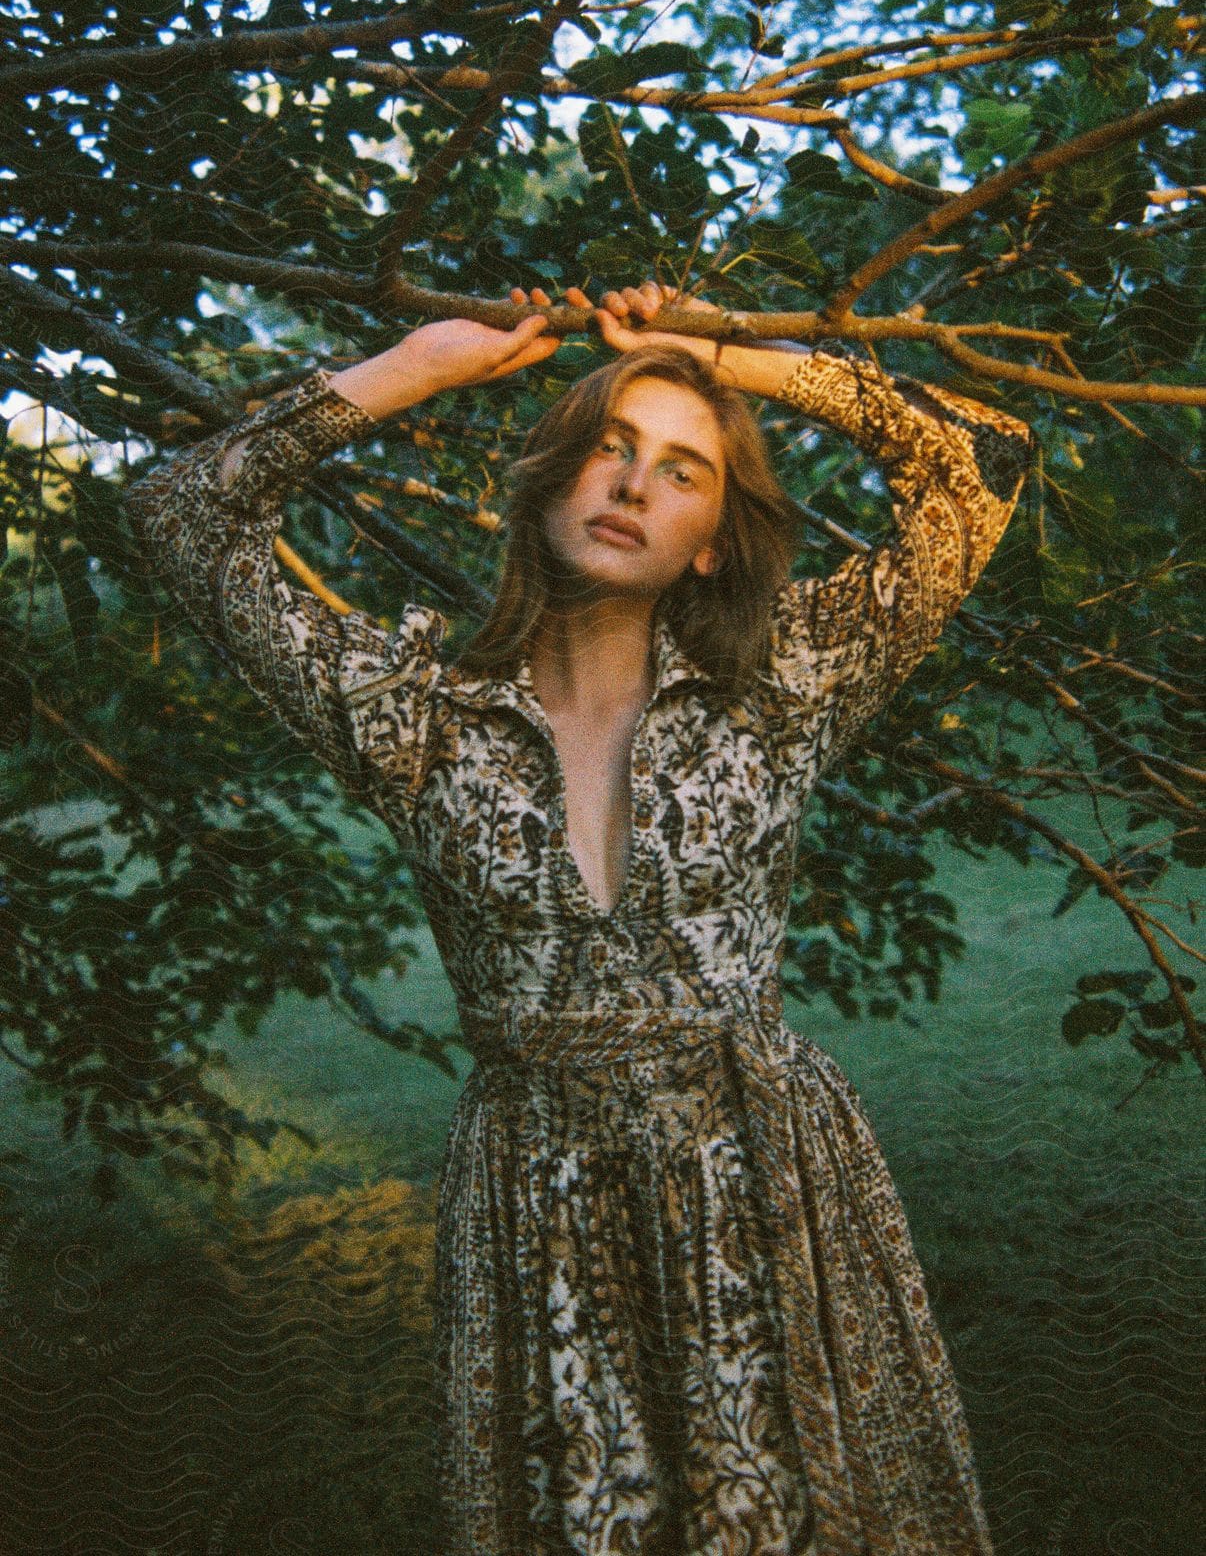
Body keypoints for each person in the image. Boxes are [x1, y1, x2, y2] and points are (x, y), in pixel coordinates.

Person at [124, 276, 1032, 1556]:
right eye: (610, 450)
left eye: (681, 471)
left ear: (713, 538)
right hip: (537, 1200)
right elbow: (176, 515)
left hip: (762, 1183)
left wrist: (729, 355)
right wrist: (416, 368)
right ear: (549, 484)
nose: (633, 487)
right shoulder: (416, 720)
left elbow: (981, 463)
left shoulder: (783, 683)